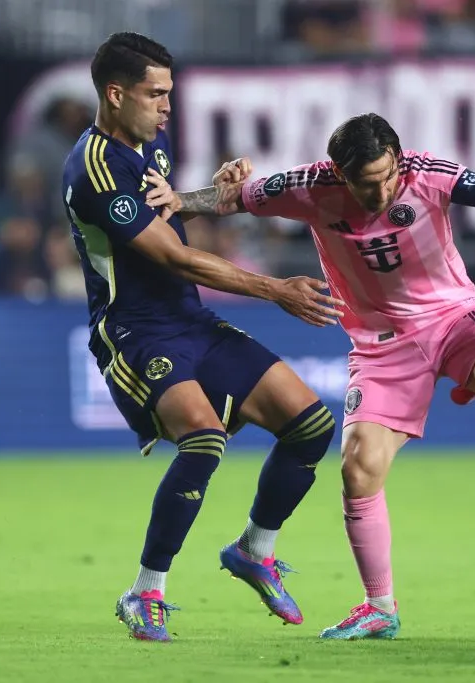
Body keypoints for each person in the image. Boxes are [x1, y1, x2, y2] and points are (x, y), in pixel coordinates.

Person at [151, 113, 475, 641]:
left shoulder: (432, 175)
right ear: (339, 173)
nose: (378, 192)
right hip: (381, 347)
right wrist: (177, 200)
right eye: (363, 183)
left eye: (386, 177)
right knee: (358, 467)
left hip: (454, 317)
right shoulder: (308, 187)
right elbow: (233, 198)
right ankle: (379, 607)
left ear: (400, 158)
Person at [62, 32, 343, 642]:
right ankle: (146, 592)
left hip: (188, 321)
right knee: (203, 439)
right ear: (115, 94)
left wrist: (216, 191)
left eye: (169, 92)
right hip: (134, 332)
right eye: (154, 94)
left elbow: (164, 213)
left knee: (312, 426)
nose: (167, 106)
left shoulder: (149, 144)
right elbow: (176, 259)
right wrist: (277, 290)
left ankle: (254, 550)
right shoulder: (95, 168)